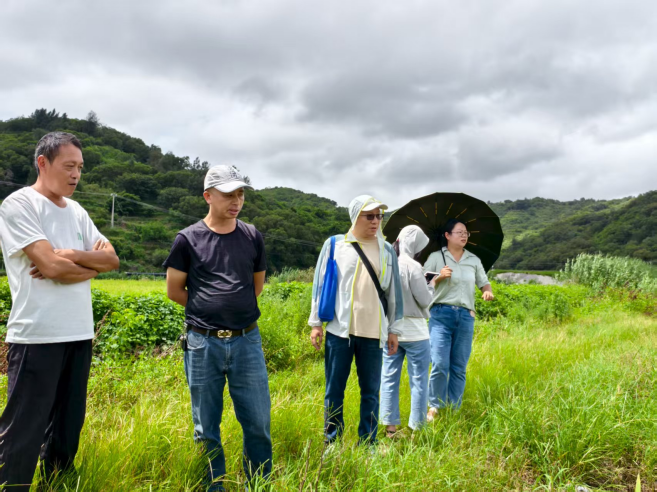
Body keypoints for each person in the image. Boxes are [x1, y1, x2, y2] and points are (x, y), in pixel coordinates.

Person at [0, 132, 120, 490]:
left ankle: (56, 486)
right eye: (69, 166)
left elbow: (111, 260)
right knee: (23, 430)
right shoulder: (19, 204)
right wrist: (86, 266)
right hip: (37, 334)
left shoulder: (77, 211)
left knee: (67, 430)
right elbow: (50, 267)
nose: (76, 175)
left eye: (80, 167)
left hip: (79, 333)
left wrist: (71, 255)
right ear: (43, 163)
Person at [164, 165, 271, 492]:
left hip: (246, 340)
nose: (236, 201)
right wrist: (208, 309)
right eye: (228, 195)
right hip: (202, 343)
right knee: (206, 426)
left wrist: (229, 308)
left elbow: (256, 287)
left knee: (258, 423)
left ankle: (258, 484)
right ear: (208, 196)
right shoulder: (187, 239)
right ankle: (214, 486)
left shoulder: (252, 236)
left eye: (240, 194)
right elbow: (174, 290)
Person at [309, 195, 403, 447]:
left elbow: (394, 293)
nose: (375, 221)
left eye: (379, 216)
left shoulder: (386, 250)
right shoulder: (335, 245)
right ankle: (332, 441)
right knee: (334, 390)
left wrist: (394, 329)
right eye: (369, 216)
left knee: (371, 392)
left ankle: (368, 442)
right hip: (340, 331)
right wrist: (316, 323)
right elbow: (320, 284)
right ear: (355, 216)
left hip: (373, 333)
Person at [423, 218, 494, 419]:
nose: (464, 235)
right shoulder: (436, 257)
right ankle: (435, 406)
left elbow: (484, 282)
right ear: (447, 235)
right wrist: (439, 276)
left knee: (459, 366)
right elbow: (422, 283)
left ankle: (454, 408)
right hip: (440, 315)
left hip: (465, 316)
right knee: (439, 363)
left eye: (466, 233)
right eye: (459, 232)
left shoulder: (473, 259)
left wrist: (487, 291)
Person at [380, 225, 438, 437]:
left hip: (390, 330)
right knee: (419, 380)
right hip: (416, 333)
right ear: (416, 246)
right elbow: (424, 300)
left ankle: (390, 429)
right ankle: (416, 428)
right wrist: (432, 283)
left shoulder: (388, 263)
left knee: (388, 378)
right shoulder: (414, 266)